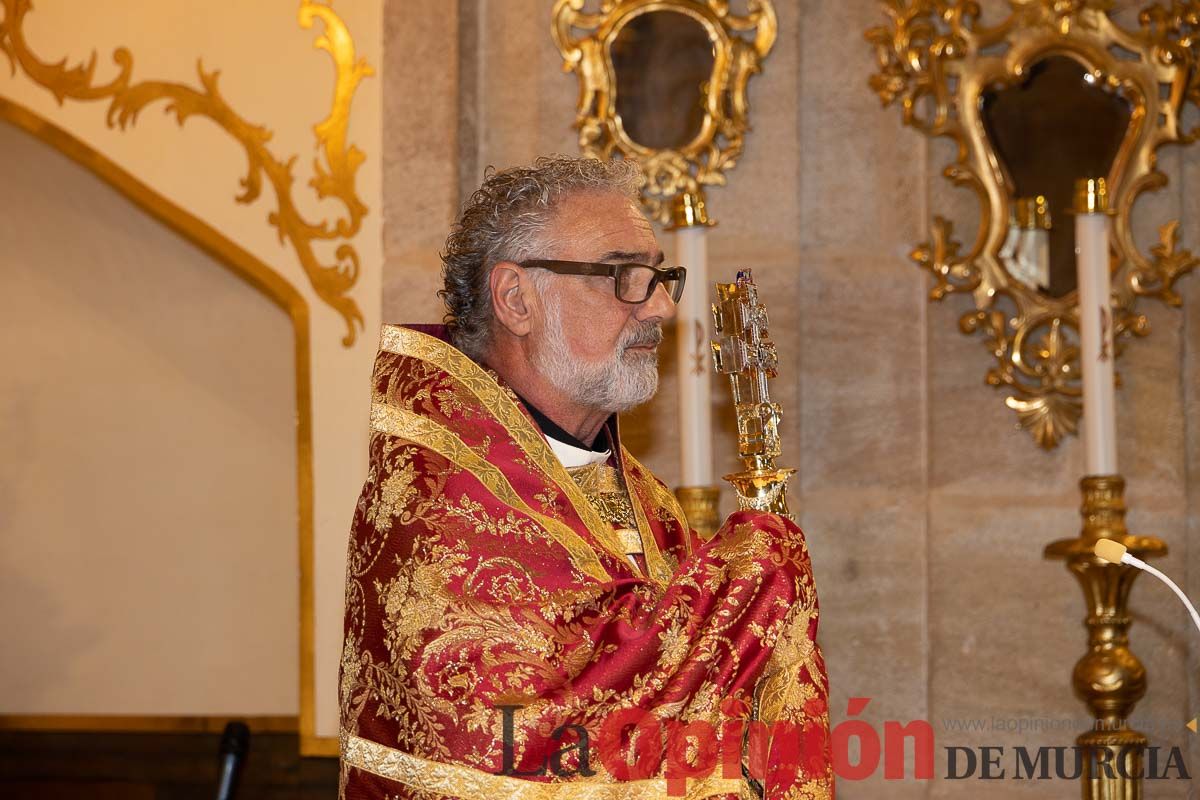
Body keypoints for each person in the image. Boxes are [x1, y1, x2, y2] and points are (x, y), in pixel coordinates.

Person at [338, 156, 832, 799]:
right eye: (624, 275)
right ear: (516, 298)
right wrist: (758, 569)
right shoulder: (439, 498)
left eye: (660, 276)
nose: (658, 306)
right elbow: (529, 728)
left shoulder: (646, 501)